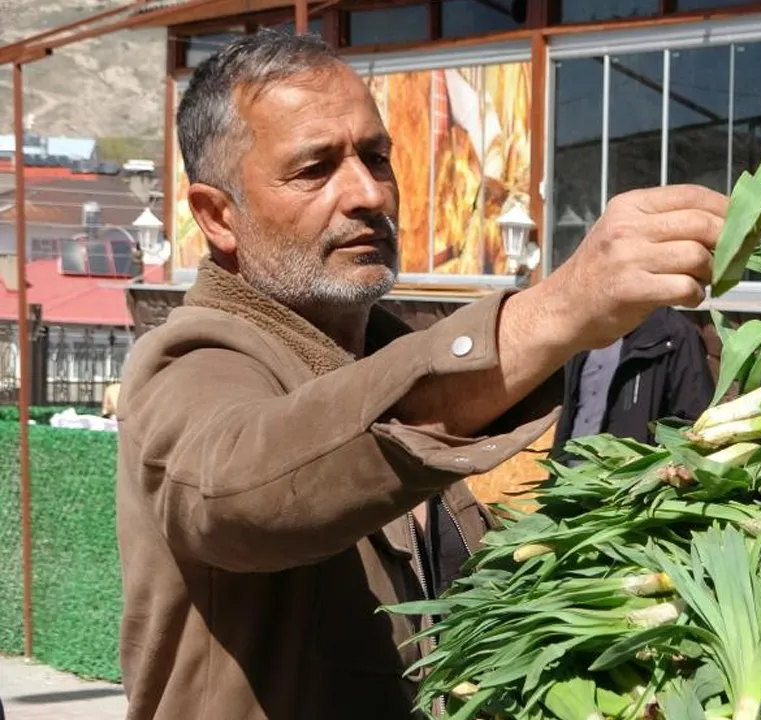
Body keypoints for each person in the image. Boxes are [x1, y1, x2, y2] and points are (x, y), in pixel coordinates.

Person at [115, 30, 727, 720]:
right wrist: (560, 306)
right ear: (216, 216)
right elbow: (234, 495)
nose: (369, 193)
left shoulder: (388, 355)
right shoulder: (193, 360)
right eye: (315, 168)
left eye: (377, 158)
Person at [551, 308, 714, 457]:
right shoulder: (587, 329)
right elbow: (571, 410)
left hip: (624, 481)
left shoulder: (673, 334)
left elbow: (696, 422)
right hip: (570, 477)